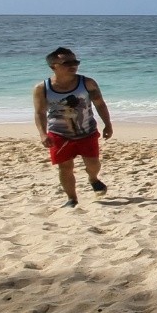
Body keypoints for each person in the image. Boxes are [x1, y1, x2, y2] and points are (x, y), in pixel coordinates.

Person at [33, 47, 113, 208]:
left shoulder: (87, 83)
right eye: (67, 63)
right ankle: (72, 199)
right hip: (58, 133)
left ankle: (93, 178)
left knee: (93, 164)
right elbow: (40, 113)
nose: (73, 65)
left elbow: (100, 104)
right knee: (65, 167)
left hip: (87, 131)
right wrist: (42, 134)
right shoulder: (42, 88)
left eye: (75, 62)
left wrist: (108, 124)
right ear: (53, 66)